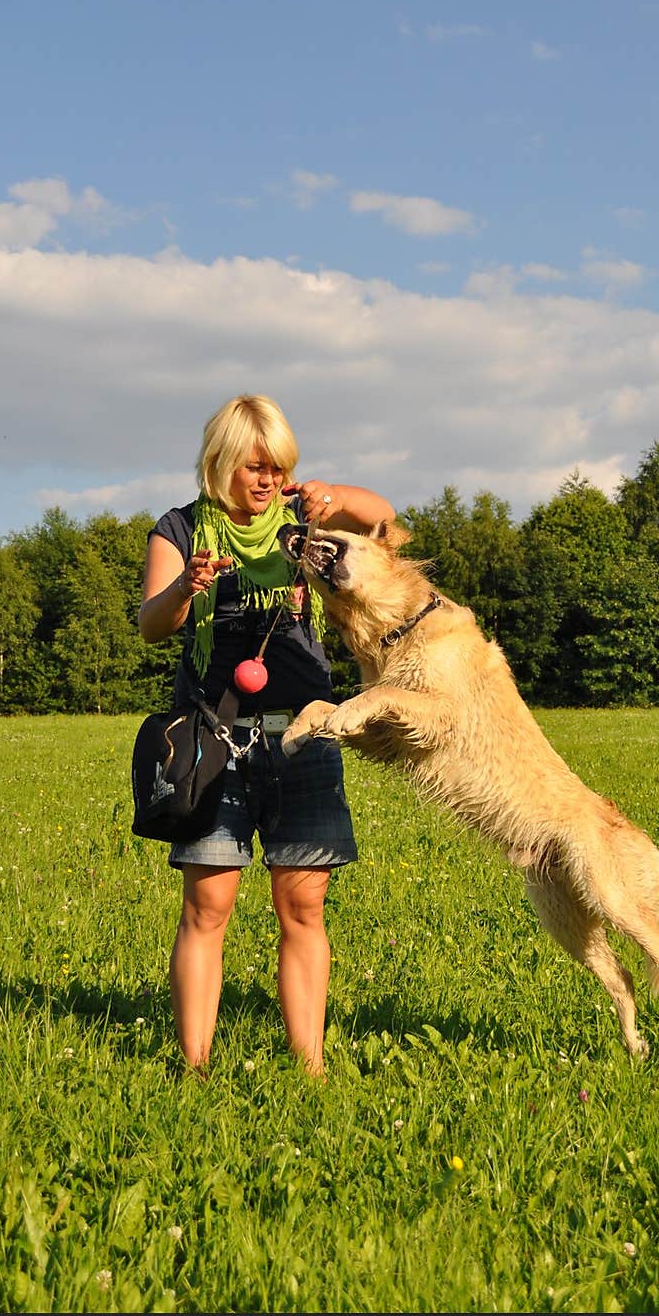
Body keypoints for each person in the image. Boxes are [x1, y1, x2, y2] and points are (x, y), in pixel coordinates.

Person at [138, 393, 395, 1078]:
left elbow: (386, 521)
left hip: (303, 735)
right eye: (255, 466)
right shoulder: (180, 528)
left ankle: (307, 1066)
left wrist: (337, 496)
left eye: (279, 468)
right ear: (221, 461)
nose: (268, 481)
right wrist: (184, 590)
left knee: (302, 902)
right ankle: (193, 1068)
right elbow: (151, 624)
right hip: (214, 737)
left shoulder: (302, 522)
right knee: (208, 903)